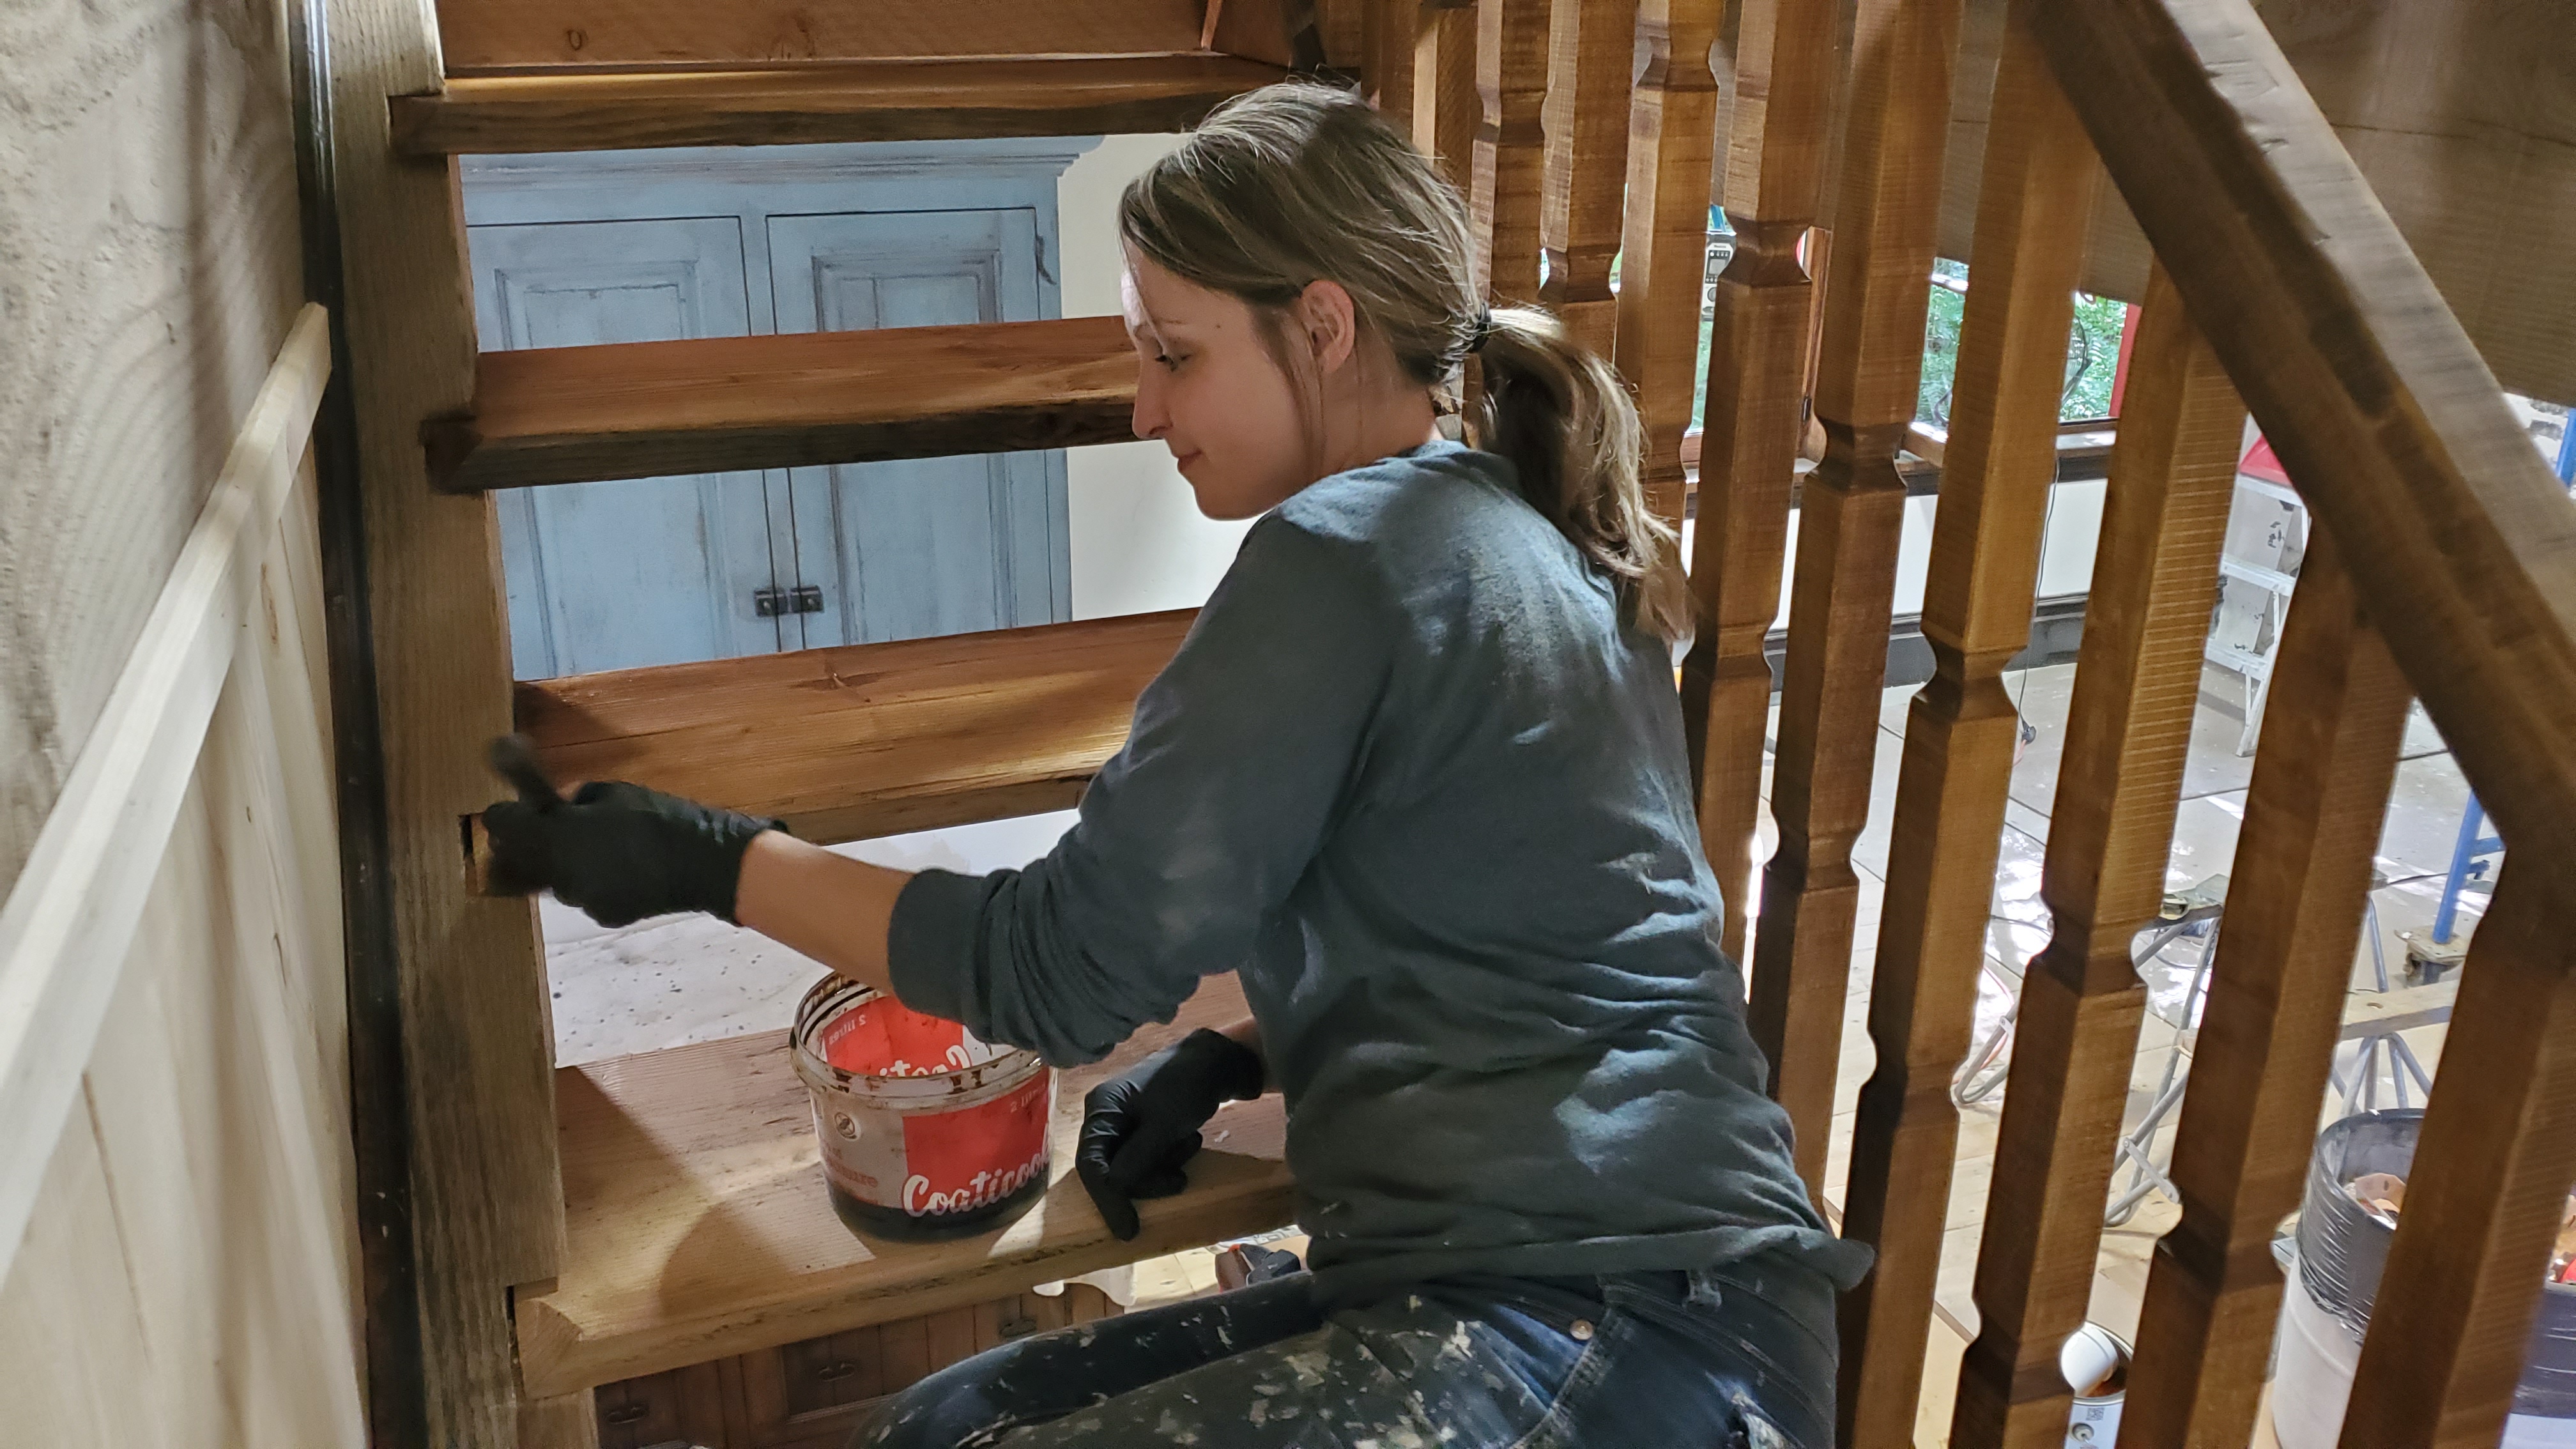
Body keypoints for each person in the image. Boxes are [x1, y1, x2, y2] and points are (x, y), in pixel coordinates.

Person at [480, 82, 1870, 1449]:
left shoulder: (1343, 561)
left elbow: (1056, 971)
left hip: (1615, 1324)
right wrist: (1236, 1052)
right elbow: (1515, 916)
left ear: (1321, 326)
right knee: (943, 1422)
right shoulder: (1518, 522)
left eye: (1176, 353)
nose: (1142, 409)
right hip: (1648, 1304)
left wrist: (707, 862)